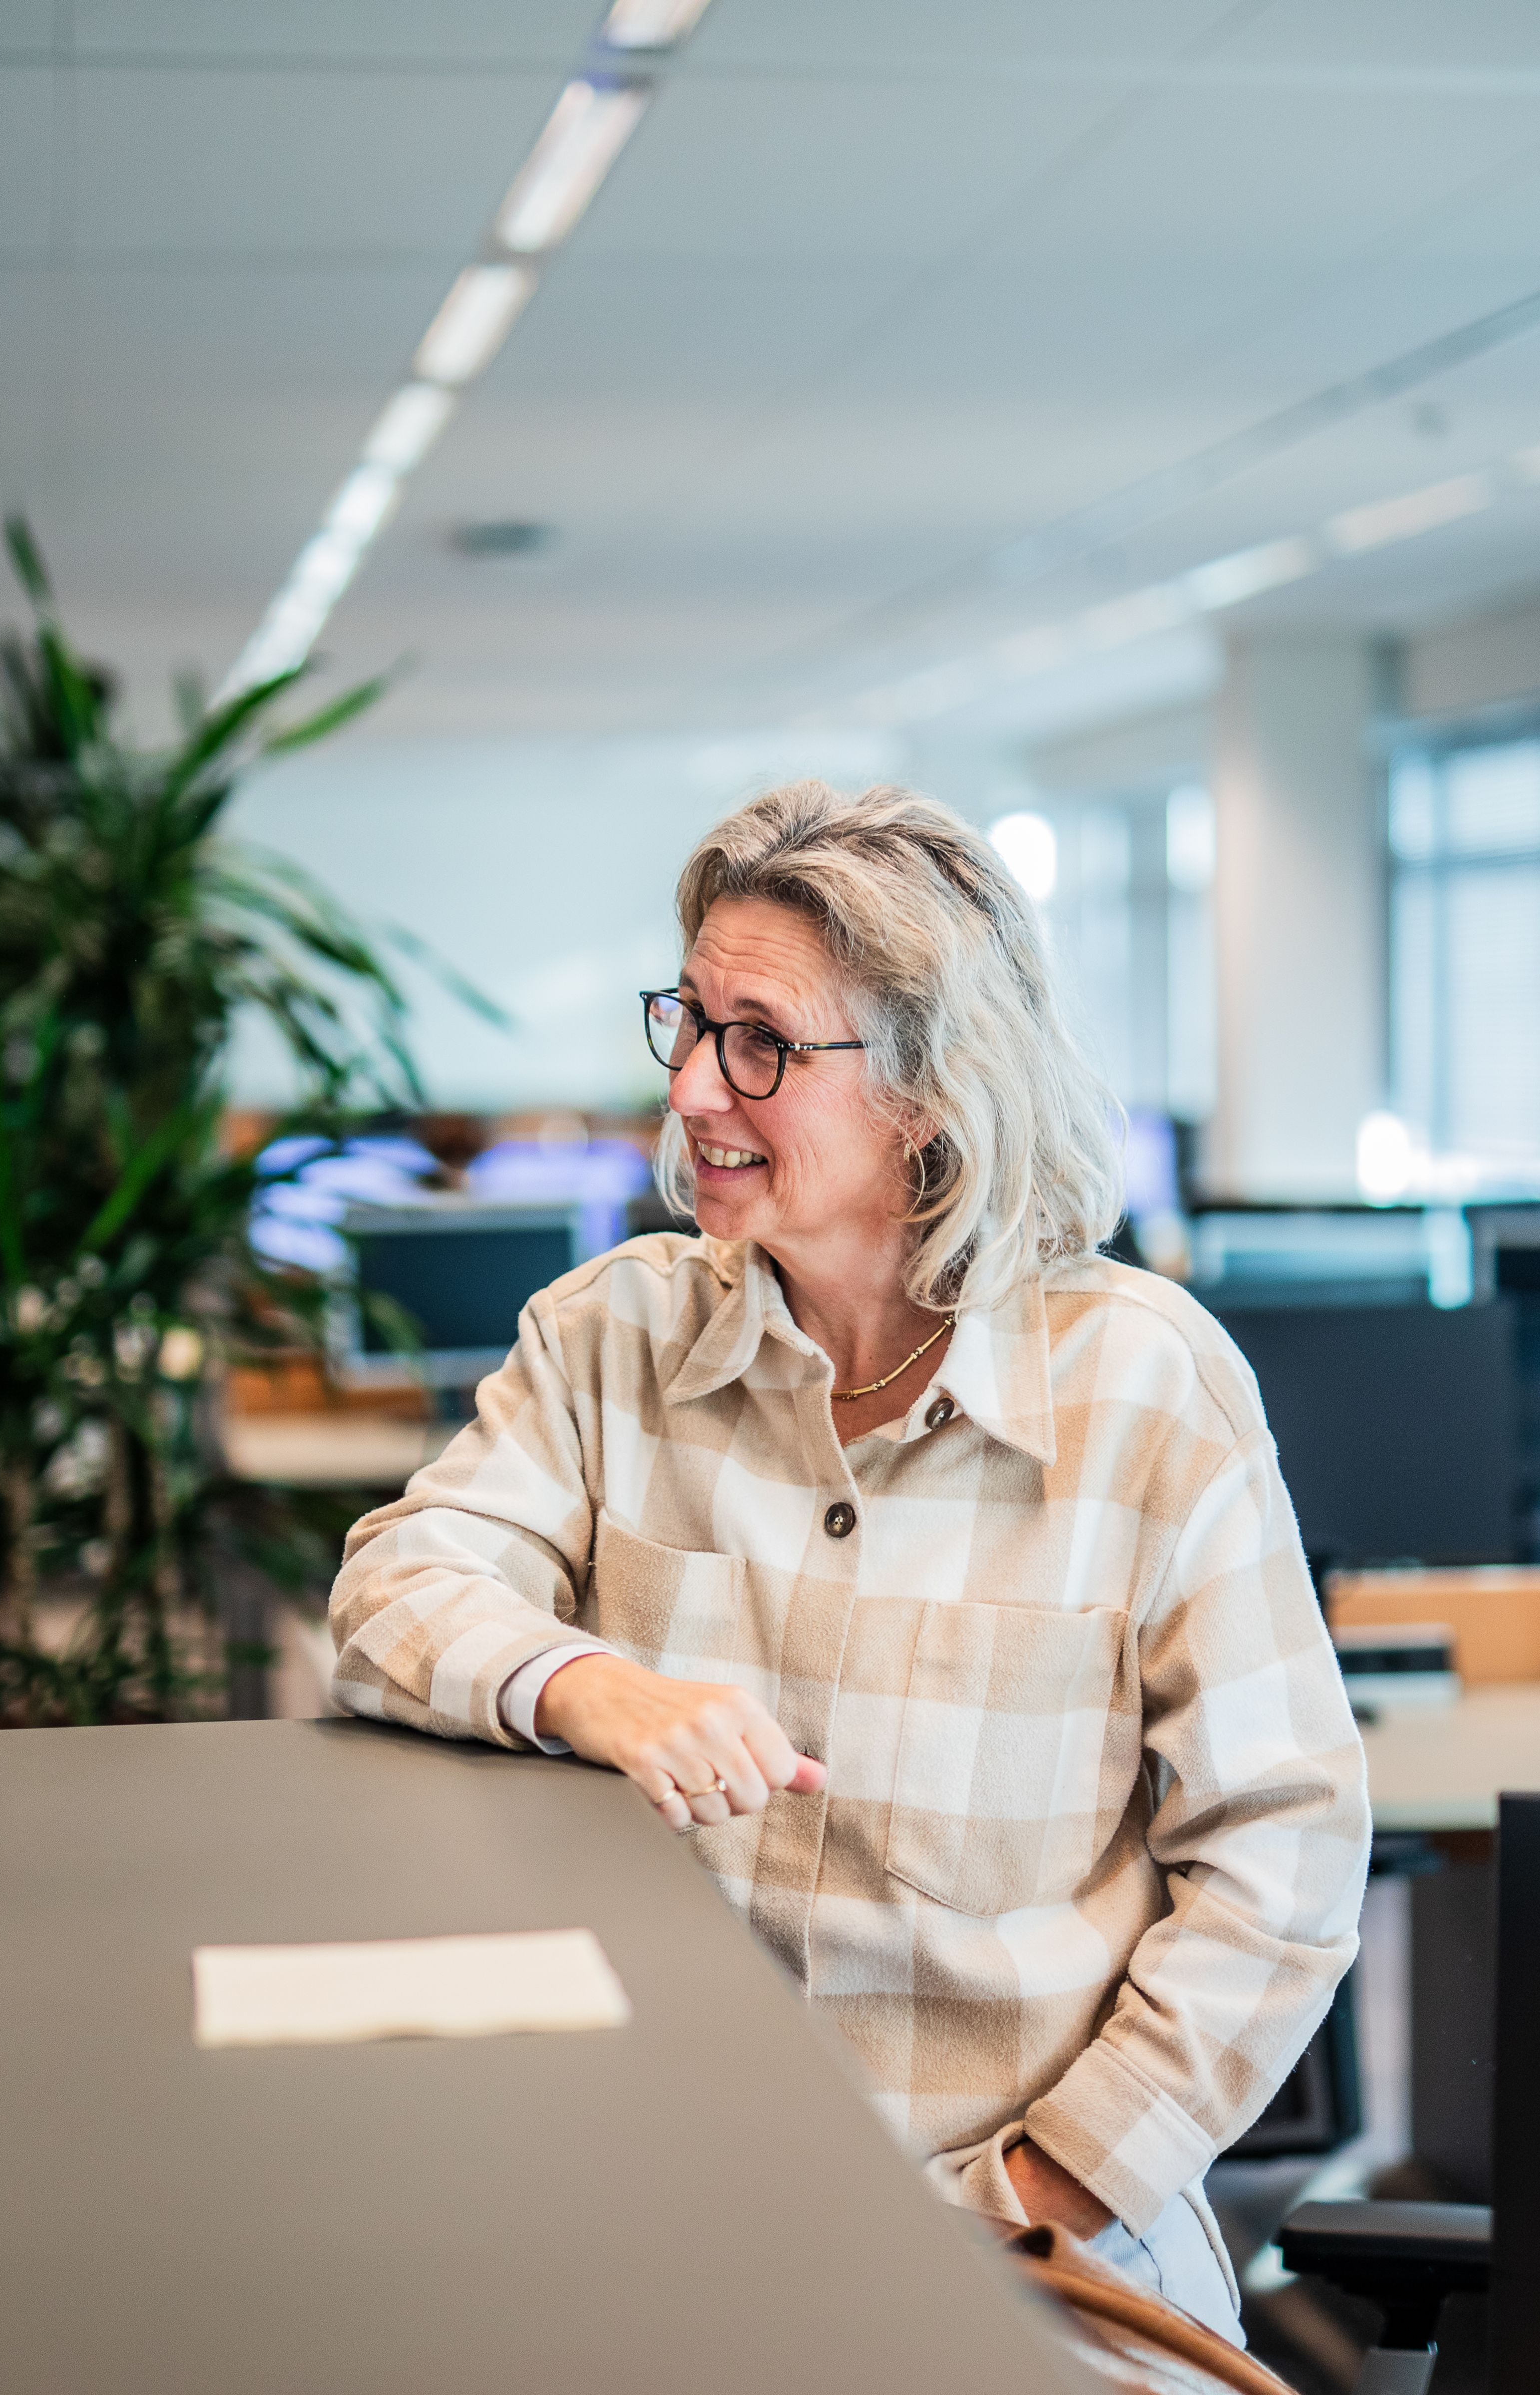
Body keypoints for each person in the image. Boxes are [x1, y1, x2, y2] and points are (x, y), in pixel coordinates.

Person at [329, 781, 1371, 2341]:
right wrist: (590, 1685)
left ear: (932, 1090)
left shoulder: (1143, 1384)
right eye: (685, 1022)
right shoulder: (615, 1335)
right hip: (650, 2237)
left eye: (761, 1042)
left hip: (1037, 2264)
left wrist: (1043, 2201)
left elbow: (1281, 1873)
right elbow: (392, 1590)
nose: (691, 1090)